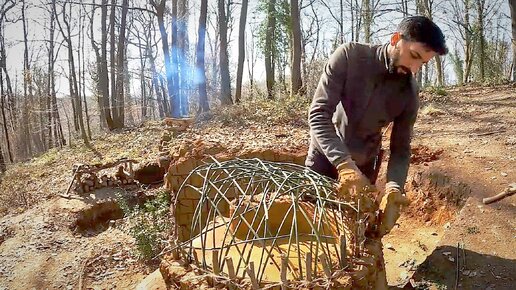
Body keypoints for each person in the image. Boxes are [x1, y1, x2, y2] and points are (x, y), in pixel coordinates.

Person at [306, 16, 447, 234]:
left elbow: (401, 149)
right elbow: (318, 114)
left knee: (354, 236)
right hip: (324, 156)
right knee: (310, 226)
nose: (414, 68)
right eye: (414, 56)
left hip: (365, 166)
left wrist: (393, 186)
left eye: (423, 63)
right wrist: (343, 164)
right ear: (395, 39)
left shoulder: (409, 93)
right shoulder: (349, 56)